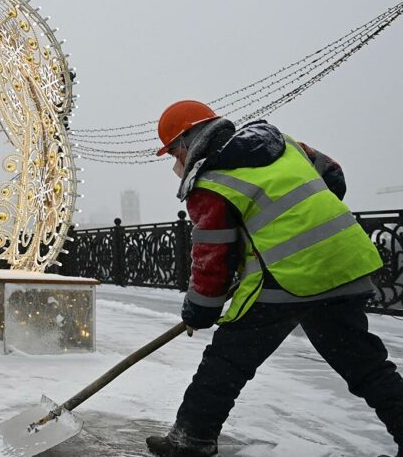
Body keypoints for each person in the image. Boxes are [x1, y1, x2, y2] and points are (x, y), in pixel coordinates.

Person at [146, 100, 402, 457]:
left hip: (289, 278)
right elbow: (333, 174)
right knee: (367, 365)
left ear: (188, 142)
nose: (175, 162)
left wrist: (199, 312)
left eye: (173, 152)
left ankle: (191, 441)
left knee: (227, 361)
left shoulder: (210, 182)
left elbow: (212, 260)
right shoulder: (280, 142)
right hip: (346, 262)